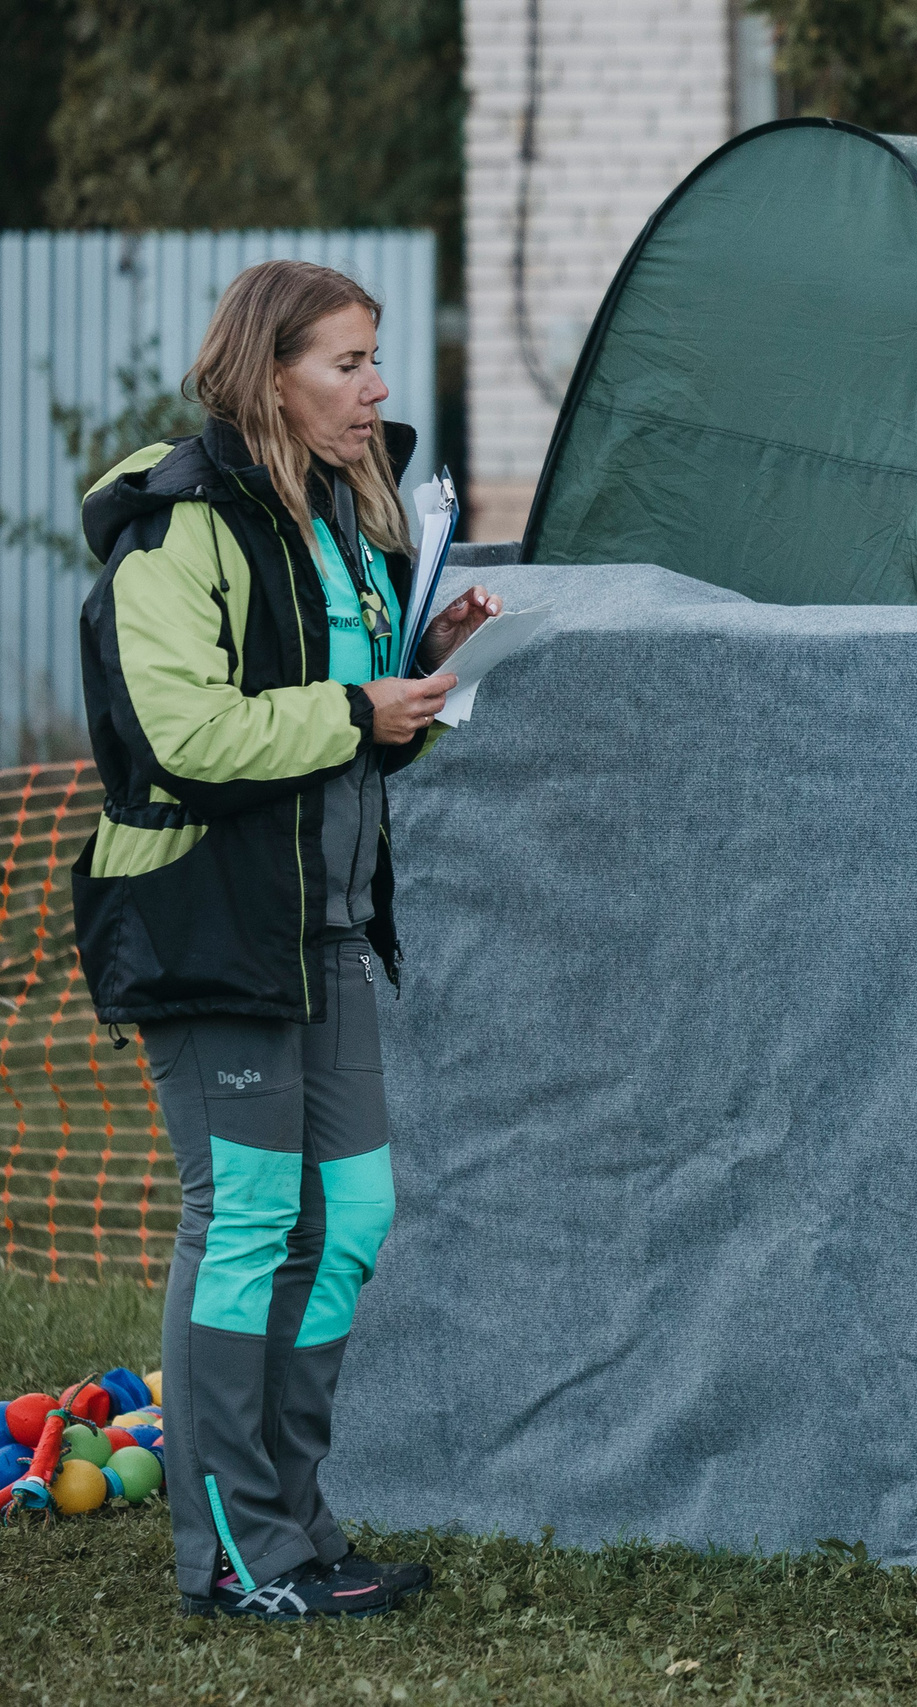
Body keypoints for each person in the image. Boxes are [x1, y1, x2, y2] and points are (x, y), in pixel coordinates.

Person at [73, 261, 500, 1620]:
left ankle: (295, 1523)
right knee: (251, 1220)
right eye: (347, 363)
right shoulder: (175, 529)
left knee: (354, 1215)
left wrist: (416, 680)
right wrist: (353, 709)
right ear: (267, 377)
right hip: (210, 925)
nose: (379, 388)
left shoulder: (346, 520)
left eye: (378, 360)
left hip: (322, 933)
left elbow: (353, 737)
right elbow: (186, 734)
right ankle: (235, 1554)